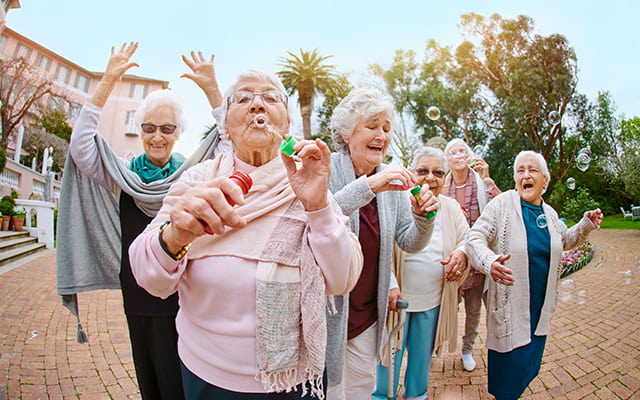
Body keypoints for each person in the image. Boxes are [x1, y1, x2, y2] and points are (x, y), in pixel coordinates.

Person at [128, 69, 363, 399]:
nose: (257, 105)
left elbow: (342, 279)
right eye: (243, 98)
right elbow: (148, 277)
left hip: (294, 382)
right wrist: (177, 234)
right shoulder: (197, 182)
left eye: (270, 98)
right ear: (224, 125)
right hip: (206, 374)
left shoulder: (310, 182)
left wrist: (319, 208)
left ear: (287, 124)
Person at [58, 43, 226, 399]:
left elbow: (228, 143)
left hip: (181, 291)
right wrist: (107, 82)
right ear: (141, 129)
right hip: (137, 291)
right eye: (150, 127)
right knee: (149, 379)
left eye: (167, 128)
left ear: (178, 131)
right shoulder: (122, 175)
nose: (157, 136)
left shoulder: (192, 173)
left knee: (179, 380)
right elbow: (81, 148)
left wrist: (212, 90)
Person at [325, 87, 438, 400]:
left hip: (366, 316)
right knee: (328, 394)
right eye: (372, 126)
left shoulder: (392, 179)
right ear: (347, 133)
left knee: (361, 392)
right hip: (326, 315)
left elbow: (409, 241)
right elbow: (319, 218)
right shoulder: (326, 169)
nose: (381, 135)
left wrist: (423, 218)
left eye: (387, 128)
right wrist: (368, 186)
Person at [465, 150, 603, 400]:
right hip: (510, 308)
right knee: (508, 379)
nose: (525, 175)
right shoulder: (502, 204)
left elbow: (564, 239)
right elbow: (474, 238)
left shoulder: (548, 214)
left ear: (545, 180)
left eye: (532, 170)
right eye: (520, 170)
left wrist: (585, 225)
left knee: (528, 369)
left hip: (540, 307)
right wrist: (490, 261)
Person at [372, 146, 469, 400]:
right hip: (397, 302)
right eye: (423, 171)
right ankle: (383, 396)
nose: (430, 178)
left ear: (445, 178)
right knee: (387, 359)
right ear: (412, 173)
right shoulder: (397, 202)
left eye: (438, 172)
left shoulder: (451, 208)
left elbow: (467, 239)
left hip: (431, 301)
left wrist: (461, 253)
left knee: (420, 360)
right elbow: (379, 247)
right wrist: (390, 283)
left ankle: (417, 395)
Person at [443, 138, 500, 372]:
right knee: (442, 306)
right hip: (451, 258)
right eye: (452, 152)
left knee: (474, 310)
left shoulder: (480, 183)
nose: (458, 155)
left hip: (475, 259)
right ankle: (435, 345)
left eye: (462, 151)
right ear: (447, 160)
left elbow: (501, 206)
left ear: (469, 157)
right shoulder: (441, 185)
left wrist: (487, 179)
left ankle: (467, 350)